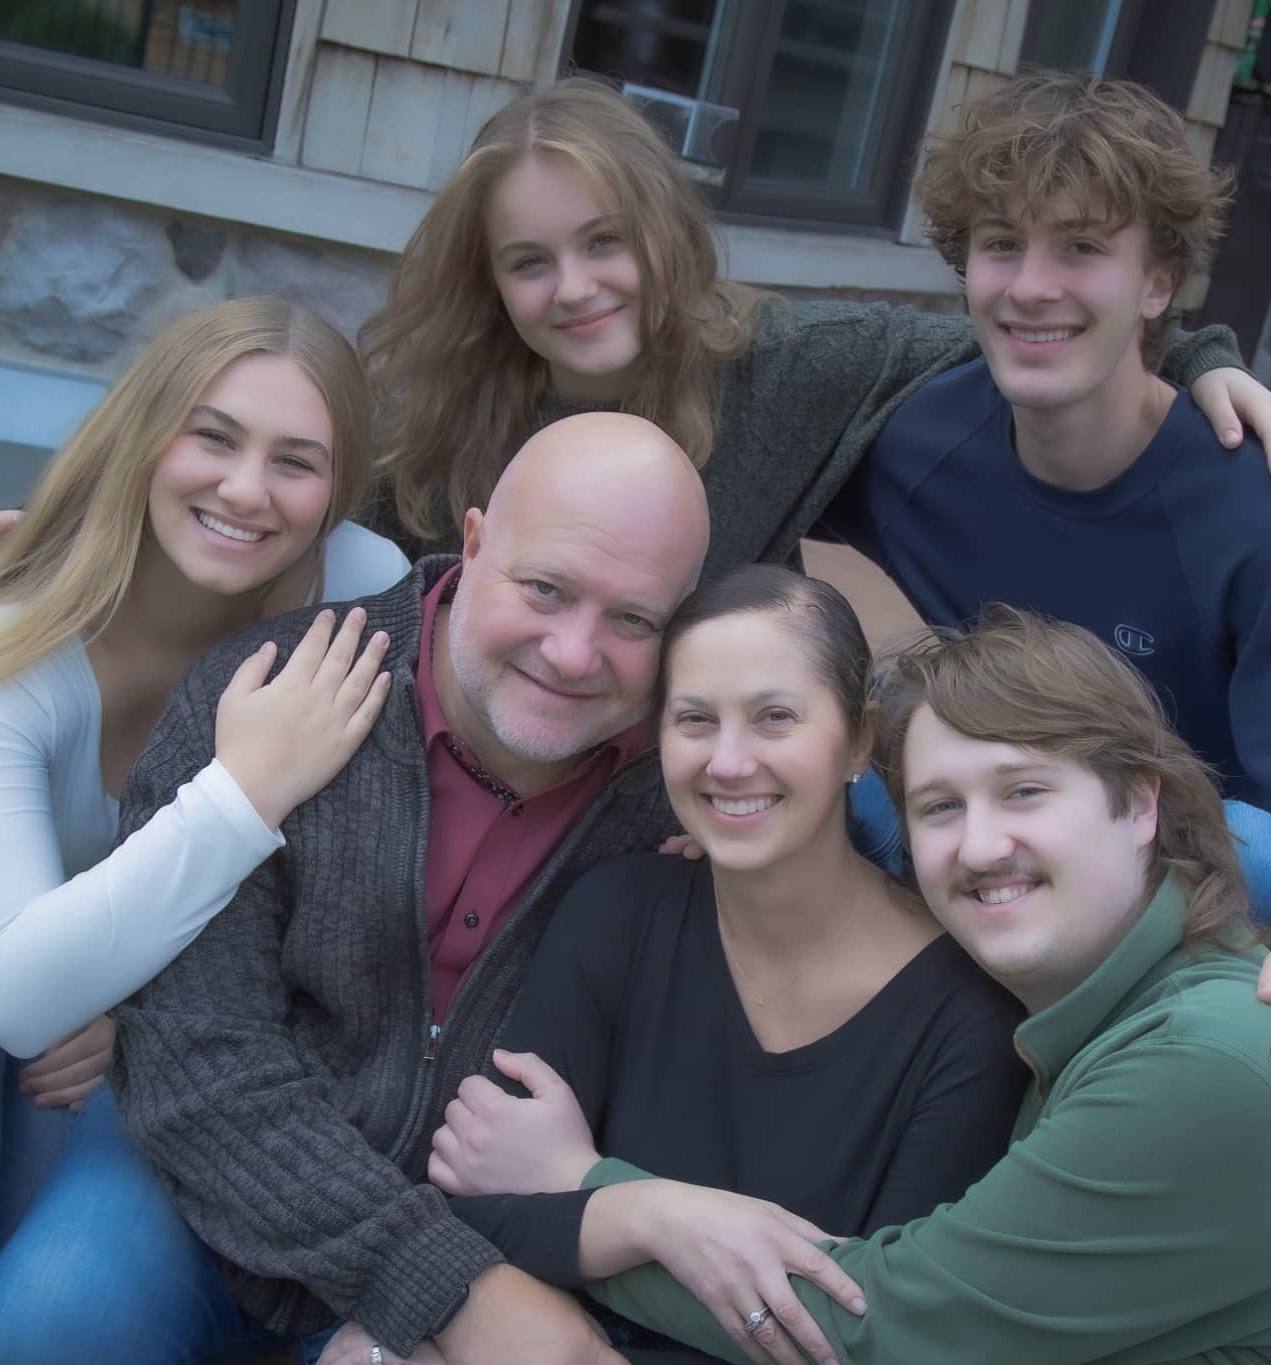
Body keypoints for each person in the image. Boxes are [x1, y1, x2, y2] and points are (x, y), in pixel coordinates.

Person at [565, 608, 1271, 1365]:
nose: (980, 847)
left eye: (1024, 790)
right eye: (940, 806)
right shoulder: (1102, 1019)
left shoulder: (1204, 1060)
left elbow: (880, 1329)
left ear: (1138, 802)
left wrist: (581, 1200)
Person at [110, 412, 711, 1365]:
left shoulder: (689, 797)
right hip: (199, 1193)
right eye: (545, 589)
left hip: (494, 1241)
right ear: (473, 545)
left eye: (633, 619)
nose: (572, 652)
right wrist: (442, 1286)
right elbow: (194, 1048)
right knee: (53, 1319)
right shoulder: (264, 692)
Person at [819, 70, 1271, 1119]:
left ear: (1158, 283)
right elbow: (743, 467)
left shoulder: (1249, 511)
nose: (1031, 287)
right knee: (835, 775)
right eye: (1001, 246)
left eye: (1080, 249)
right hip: (988, 828)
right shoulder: (923, 440)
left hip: (1177, 871)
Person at [359, 76, 1271, 584]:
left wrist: (1196, 356)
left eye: (605, 241)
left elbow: (1019, 331)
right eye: (529, 261)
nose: (575, 288)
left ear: (664, 231)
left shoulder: (779, 366)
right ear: (489, 280)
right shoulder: (430, 426)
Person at [425, 564, 1025, 1364]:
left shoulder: (970, 1014)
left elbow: (865, 1327)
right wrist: (661, 1216)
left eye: (774, 717)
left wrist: (596, 1190)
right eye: (695, 719)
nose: (729, 762)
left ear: (859, 737)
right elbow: (476, 1200)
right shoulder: (618, 912)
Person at [0, 296, 405, 1358]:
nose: (244, 489)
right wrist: (245, 791)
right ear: (146, 434)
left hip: (152, 1027)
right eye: (213, 437)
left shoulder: (361, 591)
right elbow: (24, 995)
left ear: (336, 491)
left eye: (295, 461)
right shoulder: (24, 651)